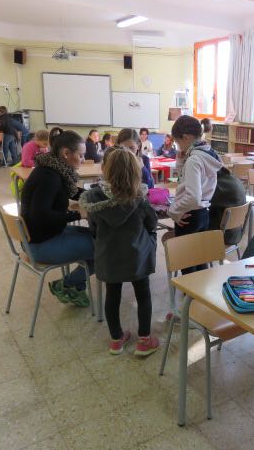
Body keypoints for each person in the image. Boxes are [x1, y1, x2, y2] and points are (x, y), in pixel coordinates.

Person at [80, 147, 160, 357]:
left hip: (109, 255)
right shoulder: (139, 198)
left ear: (105, 170)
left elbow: (93, 228)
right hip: (137, 255)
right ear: (136, 172)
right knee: (143, 294)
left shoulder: (94, 199)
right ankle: (144, 340)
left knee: (112, 295)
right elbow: (152, 223)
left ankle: (116, 340)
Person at [20, 128, 93, 306]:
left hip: (42, 236)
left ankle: (76, 289)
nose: (83, 160)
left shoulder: (51, 169)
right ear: (66, 153)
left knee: (96, 236)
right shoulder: (49, 177)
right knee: (104, 247)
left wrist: (95, 194)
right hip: (41, 245)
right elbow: (41, 216)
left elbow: (71, 191)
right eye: (81, 155)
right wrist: (77, 214)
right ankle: (67, 284)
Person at [168, 115, 223, 273]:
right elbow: (188, 180)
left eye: (178, 142)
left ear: (186, 137)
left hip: (188, 216)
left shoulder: (194, 159)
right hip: (203, 213)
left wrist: (173, 210)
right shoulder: (208, 153)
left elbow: (193, 197)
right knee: (199, 259)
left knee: (187, 267)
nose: (178, 146)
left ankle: (190, 290)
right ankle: (200, 288)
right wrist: (181, 162)